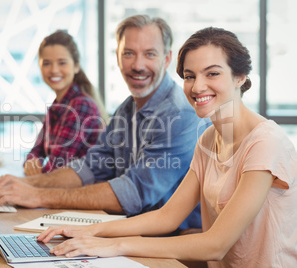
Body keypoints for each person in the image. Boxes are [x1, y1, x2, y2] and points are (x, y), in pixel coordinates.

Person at [37, 27, 297, 267]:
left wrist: (112, 245)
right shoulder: (208, 139)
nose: (197, 86)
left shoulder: (265, 142)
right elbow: (167, 216)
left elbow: (215, 245)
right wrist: (90, 230)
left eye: (213, 73)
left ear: (240, 77)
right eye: (189, 76)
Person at [0, 15, 206, 232]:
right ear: (117, 57)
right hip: (132, 229)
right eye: (128, 53)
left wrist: (38, 195)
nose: (137, 65)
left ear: (167, 58)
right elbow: (90, 167)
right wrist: (25, 185)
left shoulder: (181, 114)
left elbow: (133, 193)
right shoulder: (127, 109)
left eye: (150, 54)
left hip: (172, 241)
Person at [23, 30, 107, 175]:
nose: (54, 70)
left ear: (76, 66)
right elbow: (36, 151)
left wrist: (35, 170)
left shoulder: (81, 106)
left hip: (83, 192)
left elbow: (56, 167)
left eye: (62, 63)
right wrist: (32, 161)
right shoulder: (56, 107)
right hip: (64, 189)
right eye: (47, 63)